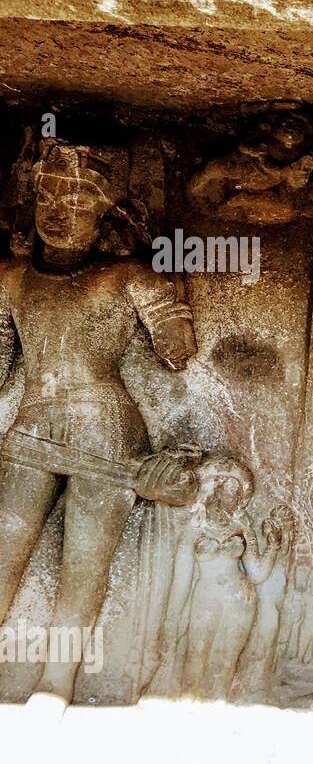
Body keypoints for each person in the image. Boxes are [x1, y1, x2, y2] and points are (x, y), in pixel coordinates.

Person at [0, 141, 196, 706]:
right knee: (7, 548)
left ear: (106, 211)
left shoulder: (127, 278)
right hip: (32, 427)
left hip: (106, 429)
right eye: (49, 194)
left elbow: (178, 353)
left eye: (80, 198)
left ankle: (55, 683)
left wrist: (167, 293)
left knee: (84, 562)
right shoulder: (10, 280)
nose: (61, 210)